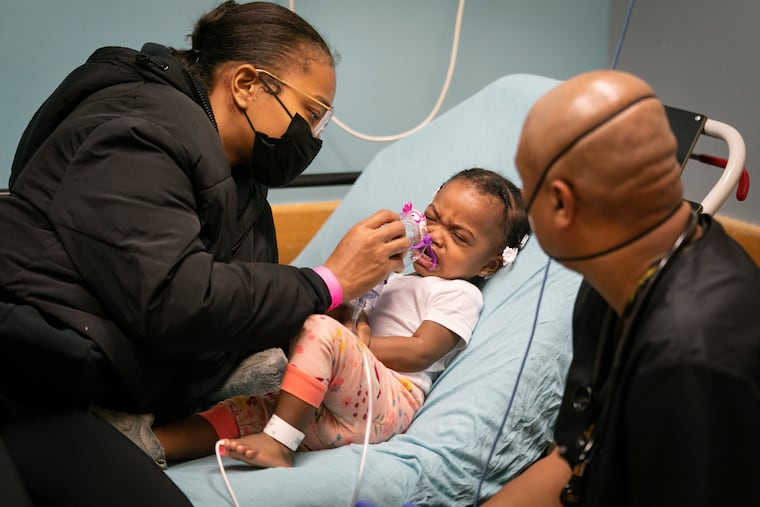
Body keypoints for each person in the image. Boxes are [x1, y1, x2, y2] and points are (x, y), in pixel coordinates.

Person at [0, 2, 411, 505]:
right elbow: (177, 300)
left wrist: (320, 316)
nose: (314, 136)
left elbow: (235, 302)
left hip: (87, 384)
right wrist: (329, 280)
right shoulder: (138, 132)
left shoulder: (242, 183)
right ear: (246, 84)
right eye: (312, 114)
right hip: (27, 377)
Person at [483, 70, 760, 506]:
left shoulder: (692, 360)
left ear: (560, 204)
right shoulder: (616, 274)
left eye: (525, 185)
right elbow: (575, 461)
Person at [150, 168, 531, 468]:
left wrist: (359, 343)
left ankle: (280, 443)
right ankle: (149, 446)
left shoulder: (458, 293)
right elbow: (344, 318)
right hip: (340, 395)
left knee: (319, 331)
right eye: (432, 218)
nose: (435, 235)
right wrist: (355, 296)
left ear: (490, 264)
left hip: (390, 401)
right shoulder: (396, 276)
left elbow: (420, 351)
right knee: (251, 409)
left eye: (460, 237)